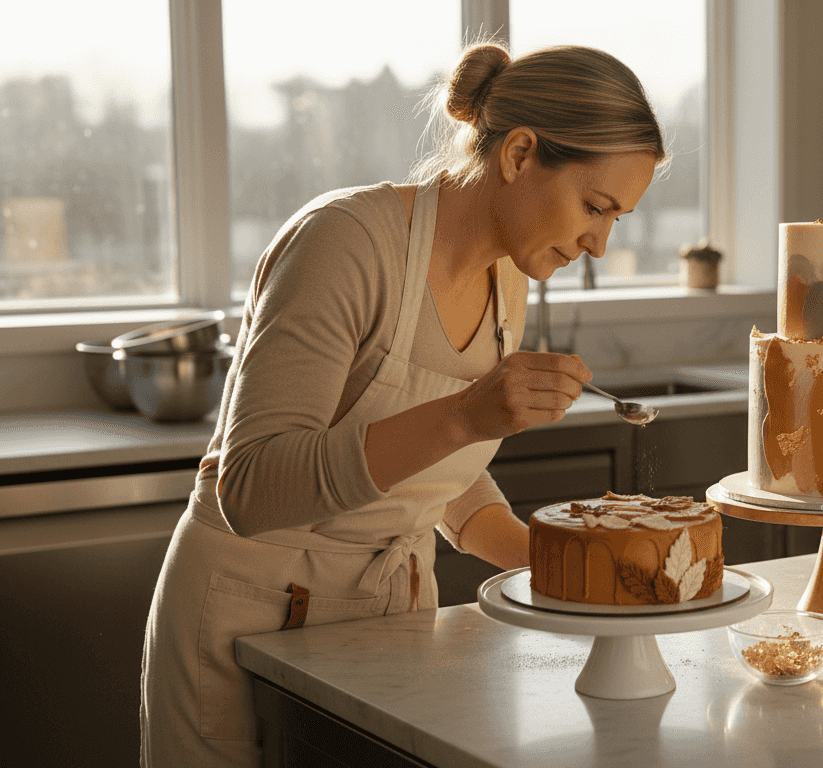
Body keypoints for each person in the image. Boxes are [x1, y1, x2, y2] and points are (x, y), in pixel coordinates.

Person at [140, 42, 665, 767]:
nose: (601, 244)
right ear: (518, 154)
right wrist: (466, 416)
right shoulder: (345, 244)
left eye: (619, 219)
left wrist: (563, 570)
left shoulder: (509, 275)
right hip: (246, 617)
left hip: (390, 616)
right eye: (594, 207)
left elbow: (433, 474)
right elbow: (251, 487)